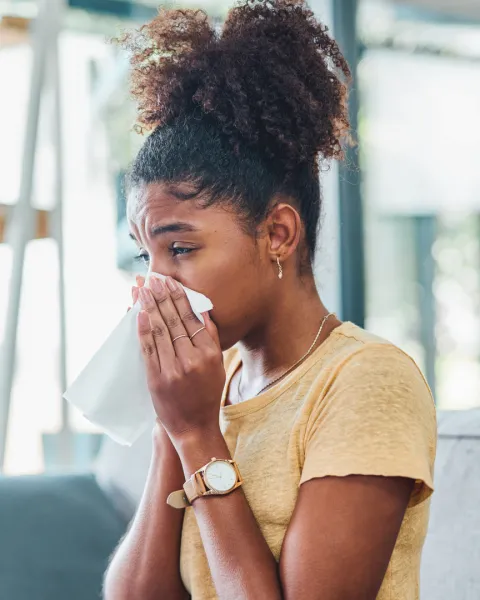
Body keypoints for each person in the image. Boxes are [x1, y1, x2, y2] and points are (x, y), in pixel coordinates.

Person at [103, 1, 436, 598]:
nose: (154, 285)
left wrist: (201, 438)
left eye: (179, 248)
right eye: (143, 256)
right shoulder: (212, 384)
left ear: (277, 234)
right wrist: (171, 429)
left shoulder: (365, 381)